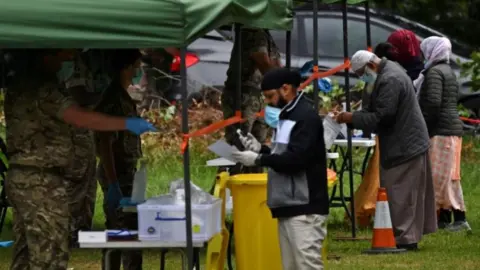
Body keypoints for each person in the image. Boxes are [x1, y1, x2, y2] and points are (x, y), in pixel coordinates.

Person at [4, 49, 155, 270]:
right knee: (50, 256)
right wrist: (125, 123)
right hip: (41, 182)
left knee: (25, 255)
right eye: (62, 57)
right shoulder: (43, 89)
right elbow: (79, 117)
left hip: (22, 177)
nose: (66, 63)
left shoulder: (19, 86)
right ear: (46, 55)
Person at [335, 50, 437, 251]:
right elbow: (374, 109)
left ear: (371, 66)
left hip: (405, 144)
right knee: (402, 191)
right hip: (405, 140)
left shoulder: (390, 79)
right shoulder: (386, 73)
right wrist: (354, 116)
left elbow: (383, 116)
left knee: (401, 192)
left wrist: (351, 118)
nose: (361, 79)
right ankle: (405, 235)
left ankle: (405, 239)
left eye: (361, 74)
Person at [232, 68, 329, 269]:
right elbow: (284, 153)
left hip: (305, 205)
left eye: (270, 96)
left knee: (306, 264)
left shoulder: (305, 117)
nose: (267, 102)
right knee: (291, 265)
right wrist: (262, 149)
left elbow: (296, 159)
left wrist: (259, 160)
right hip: (288, 203)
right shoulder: (286, 116)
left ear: (285, 89)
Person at [95, 49, 145, 270]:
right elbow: (105, 142)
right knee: (122, 231)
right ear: (127, 67)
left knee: (126, 231)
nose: (139, 71)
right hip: (117, 172)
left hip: (126, 171)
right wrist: (113, 182)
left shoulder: (123, 97)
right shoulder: (114, 99)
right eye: (137, 66)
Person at [415, 36, 472, 232]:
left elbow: (433, 103)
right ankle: (444, 218)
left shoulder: (434, 73)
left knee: (441, 178)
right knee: (448, 176)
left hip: (441, 131)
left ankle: (458, 218)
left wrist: (423, 127)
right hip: (450, 130)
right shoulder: (447, 71)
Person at [64, 49, 112, 246]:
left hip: (86, 131)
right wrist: (99, 97)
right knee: (77, 181)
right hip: (76, 132)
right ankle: (69, 230)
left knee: (88, 182)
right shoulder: (76, 62)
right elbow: (77, 93)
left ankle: (82, 229)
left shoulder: (92, 62)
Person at [222, 27, 281, 174]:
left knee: (257, 148)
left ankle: (253, 191)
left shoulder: (266, 33)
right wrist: (282, 81)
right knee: (238, 146)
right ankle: (227, 191)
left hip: (259, 95)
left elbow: (275, 63)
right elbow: (262, 61)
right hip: (242, 96)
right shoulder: (252, 29)